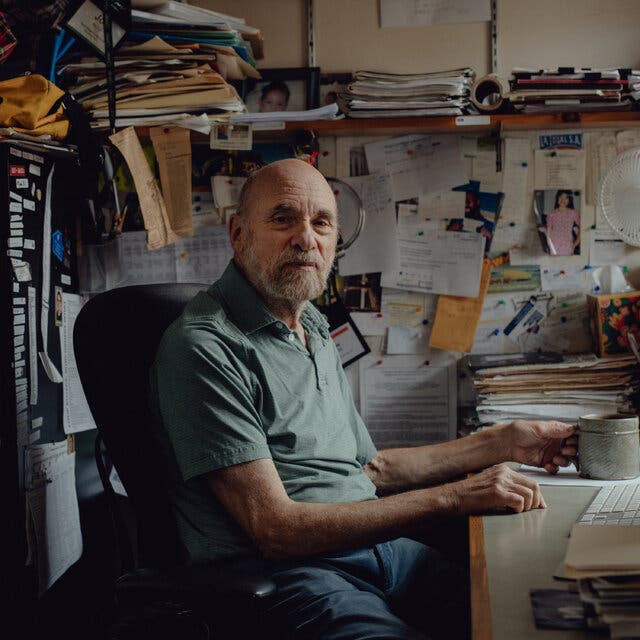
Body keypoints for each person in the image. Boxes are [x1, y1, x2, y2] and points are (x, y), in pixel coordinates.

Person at [151, 159, 577, 639]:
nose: (306, 239)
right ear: (238, 233)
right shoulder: (205, 346)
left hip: (382, 551)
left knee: (528, 616)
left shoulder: (309, 324)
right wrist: (456, 496)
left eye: (321, 222)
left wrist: (505, 441)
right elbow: (277, 529)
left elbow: (370, 469)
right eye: (283, 218)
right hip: (296, 577)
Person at [545, 189, 580, 256]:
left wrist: (576, 243)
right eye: (561, 197)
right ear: (557, 198)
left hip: (568, 246)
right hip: (554, 246)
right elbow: (548, 231)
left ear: (569, 200)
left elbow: (581, 227)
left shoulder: (573, 213)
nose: (563, 200)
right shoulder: (551, 213)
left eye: (566, 197)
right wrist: (550, 245)